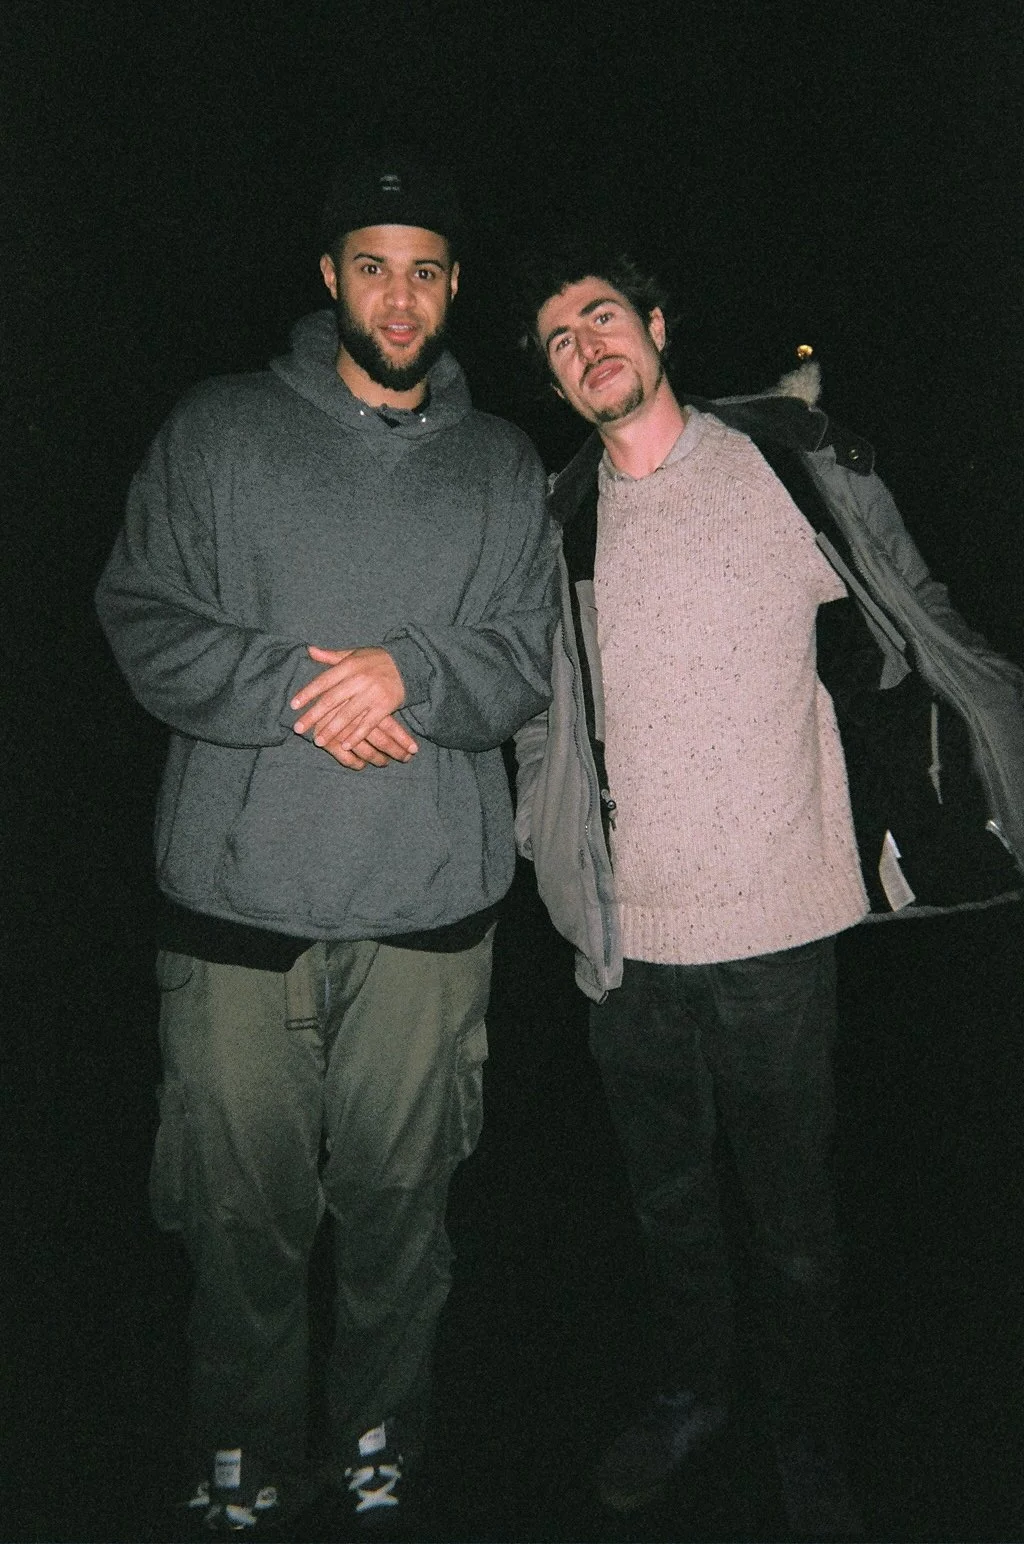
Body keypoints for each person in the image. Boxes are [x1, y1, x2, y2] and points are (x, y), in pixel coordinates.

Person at [514, 244, 1024, 1535]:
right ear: (555, 381)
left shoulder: (780, 469)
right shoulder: (560, 517)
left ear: (657, 326)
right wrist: (545, 839)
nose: (587, 347)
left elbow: (914, 610)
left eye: (603, 317)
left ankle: (810, 1441)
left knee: (793, 1220)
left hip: (779, 930)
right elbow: (542, 713)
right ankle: (694, 1395)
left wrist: (981, 748)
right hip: (628, 945)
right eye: (560, 340)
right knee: (667, 1203)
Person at [95, 149, 557, 1536]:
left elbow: (527, 655)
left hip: (429, 915)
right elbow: (142, 617)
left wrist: (408, 671)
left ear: (454, 287)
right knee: (237, 1215)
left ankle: (377, 1440)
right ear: (329, 277)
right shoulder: (219, 429)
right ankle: (238, 1450)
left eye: (425, 272)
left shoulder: (501, 462)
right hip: (238, 911)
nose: (398, 299)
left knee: (402, 1207)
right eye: (372, 267)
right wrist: (317, 688)